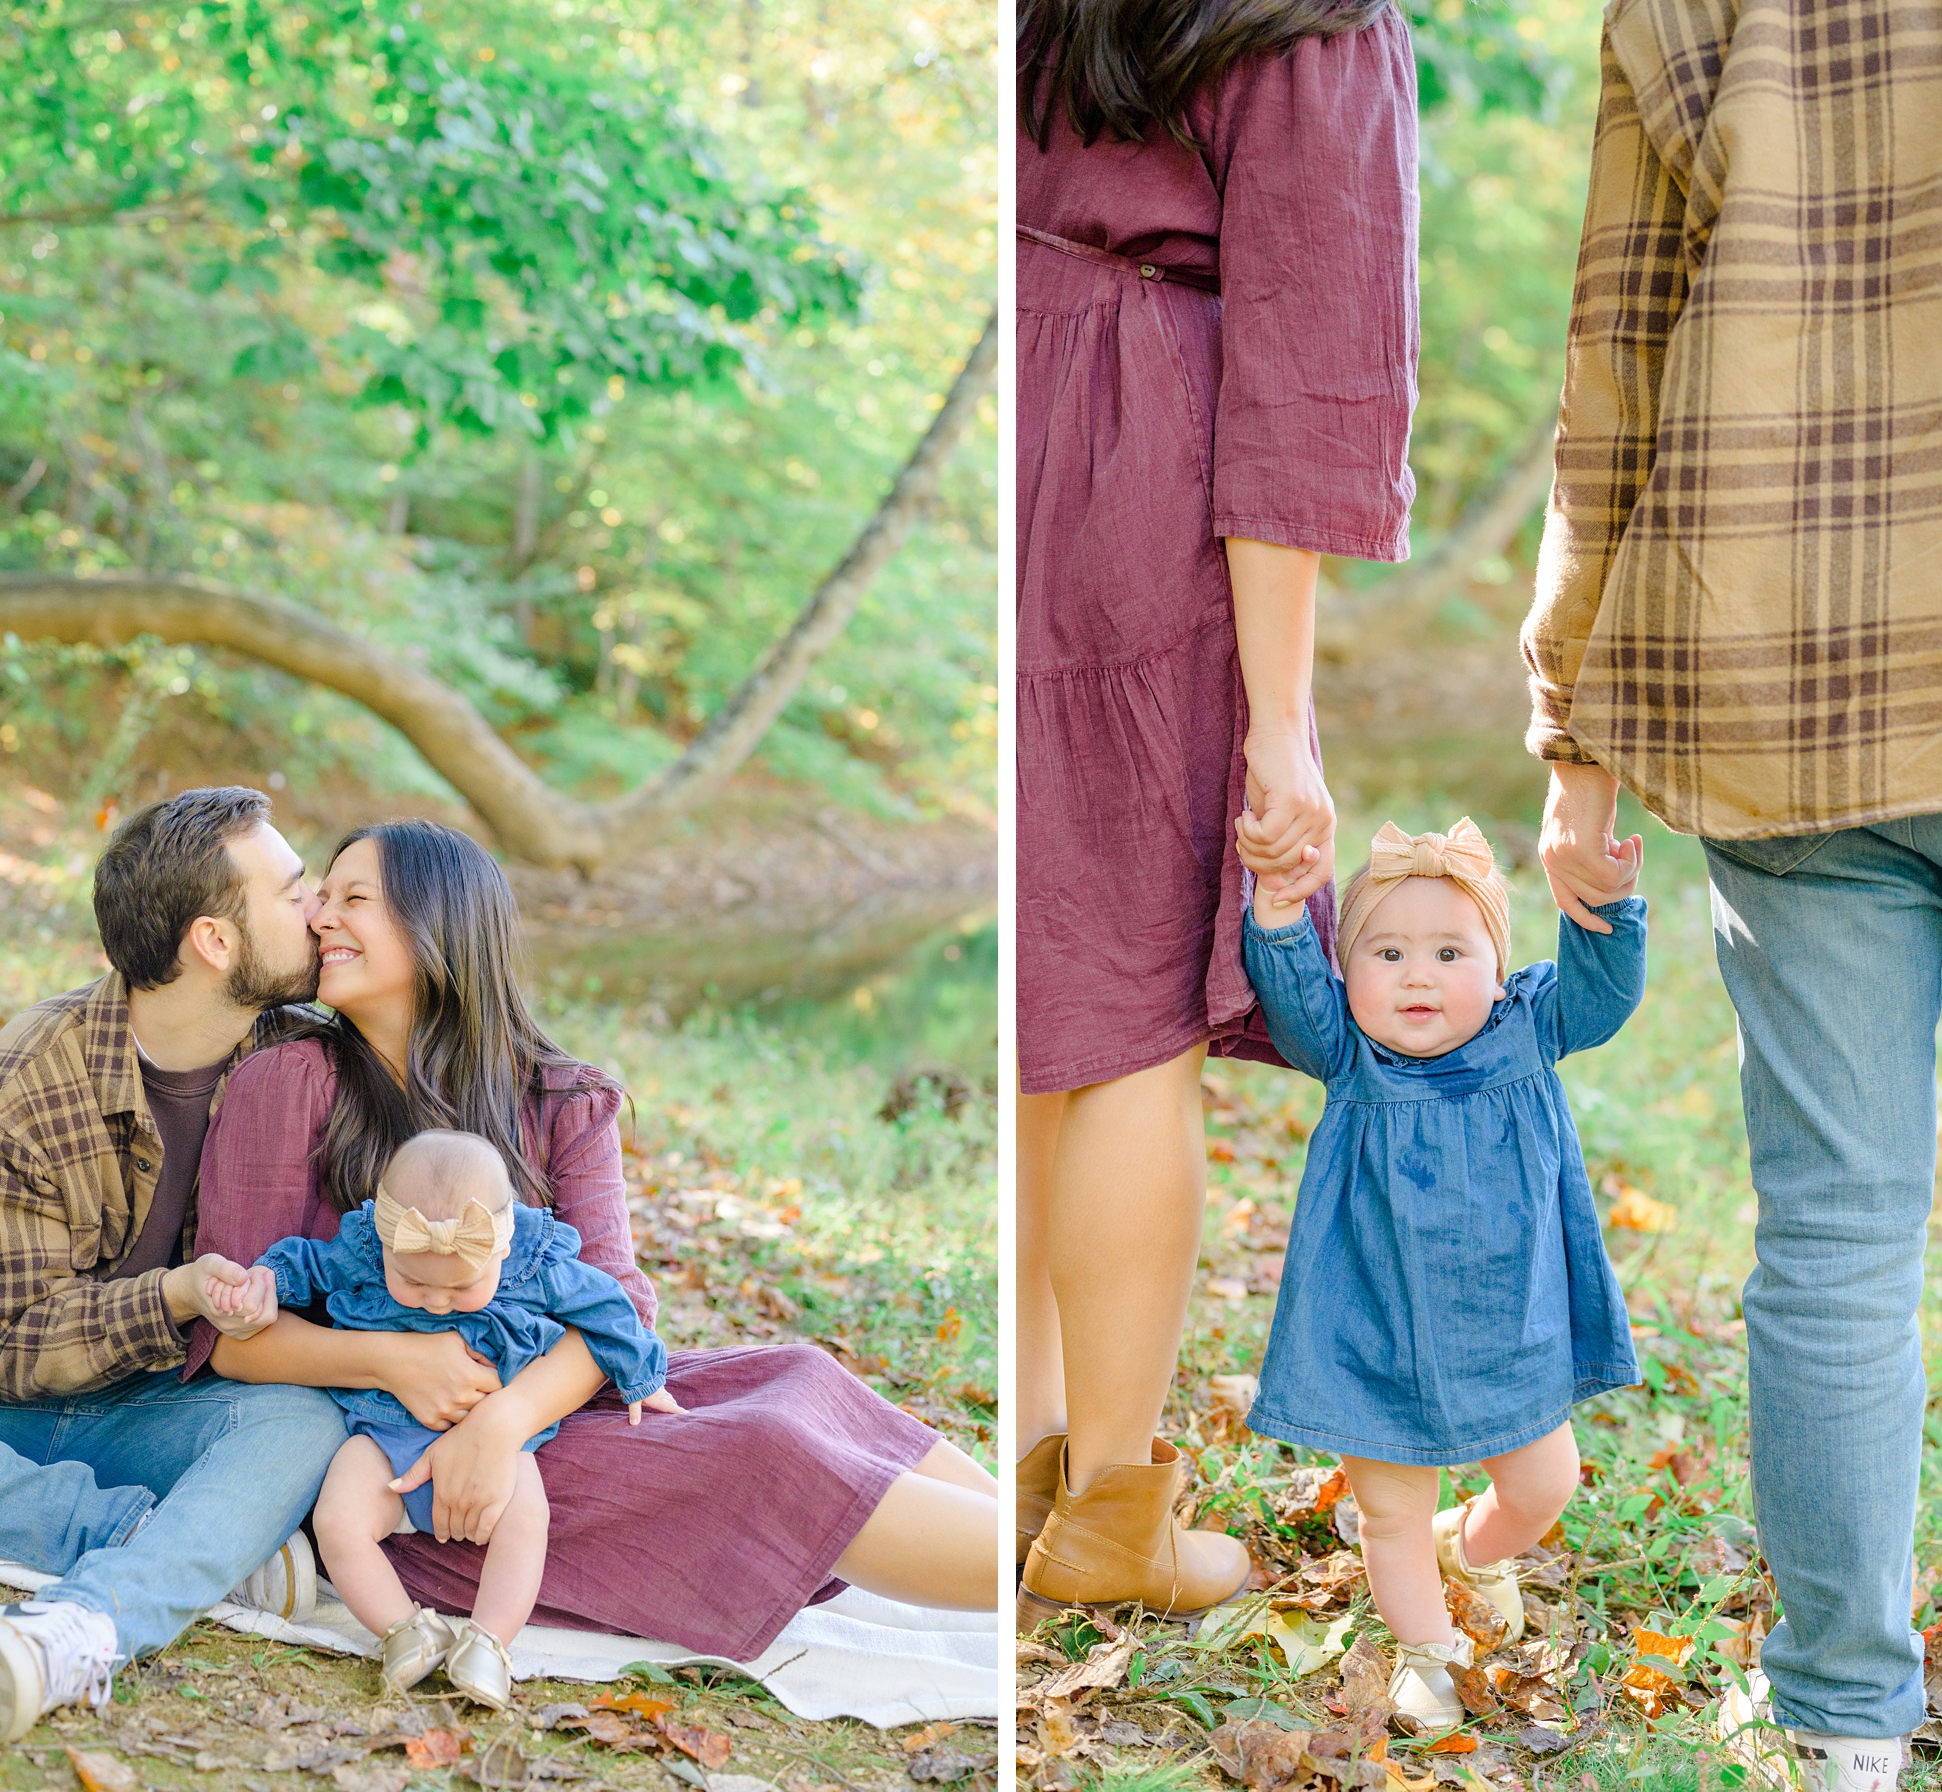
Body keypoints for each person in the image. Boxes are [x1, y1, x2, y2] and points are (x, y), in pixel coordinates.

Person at [1523, 7, 1942, 1789]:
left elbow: (1620, 335)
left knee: (1831, 1240)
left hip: (1789, 658)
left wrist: (1569, 721)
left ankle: (1845, 1731)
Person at [191, 819, 997, 1661]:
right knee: (763, 1453)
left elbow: (623, 1306)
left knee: (796, 1378)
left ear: (441, 926)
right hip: (395, 1451)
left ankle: (1050, 1548)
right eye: (322, 895)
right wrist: (394, 1364)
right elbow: (231, 1341)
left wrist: (503, 1423)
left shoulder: (559, 1097)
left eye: (353, 897)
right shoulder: (286, 1083)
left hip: (542, 1407)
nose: (320, 916)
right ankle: (1052, 1575)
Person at [1014, 0, 1419, 1621]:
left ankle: (1036, 1458)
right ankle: (1107, 1507)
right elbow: (1306, 383)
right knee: (1125, 1007)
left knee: (1041, 973)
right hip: (1142, 454)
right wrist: (1282, 726)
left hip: (1027, 411)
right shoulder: (1321, 25)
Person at [0, 786, 350, 1744]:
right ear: (215, 942)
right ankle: (148, 1541)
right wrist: (177, 1293)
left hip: (154, 1404)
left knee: (300, 1418)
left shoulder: (304, 1057)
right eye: (294, 889)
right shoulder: (31, 1073)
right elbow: (6, 1353)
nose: (318, 912)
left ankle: (104, 1594)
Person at [1240, 817, 1641, 1723]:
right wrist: (1275, 911)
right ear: (1349, 977)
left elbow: (1605, 992)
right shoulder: (1349, 1056)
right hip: (1370, 1324)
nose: (1417, 974)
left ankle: (1469, 1548)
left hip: (1512, 1325)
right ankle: (1427, 1655)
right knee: (1388, 1511)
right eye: (1386, 952)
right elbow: (1294, 999)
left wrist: (1604, 904)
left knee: (1543, 1484)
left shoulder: (1530, 1028)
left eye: (1450, 951)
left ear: (1498, 969)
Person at [208, 1129, 677, 1707]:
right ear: (384, 1245)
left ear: (501, 1248)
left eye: (460, 1286)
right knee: (339, 1521)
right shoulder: (365, 1249)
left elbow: (607, 1304)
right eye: (414, 1282)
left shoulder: (533, 1263)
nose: (435, 1300)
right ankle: (406, 1631)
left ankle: (488, 1643)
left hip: (492, 1442)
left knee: (525, 1521)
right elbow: (309, 1264)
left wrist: (642, 1376)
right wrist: (266, 1281)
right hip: (383, 1429)